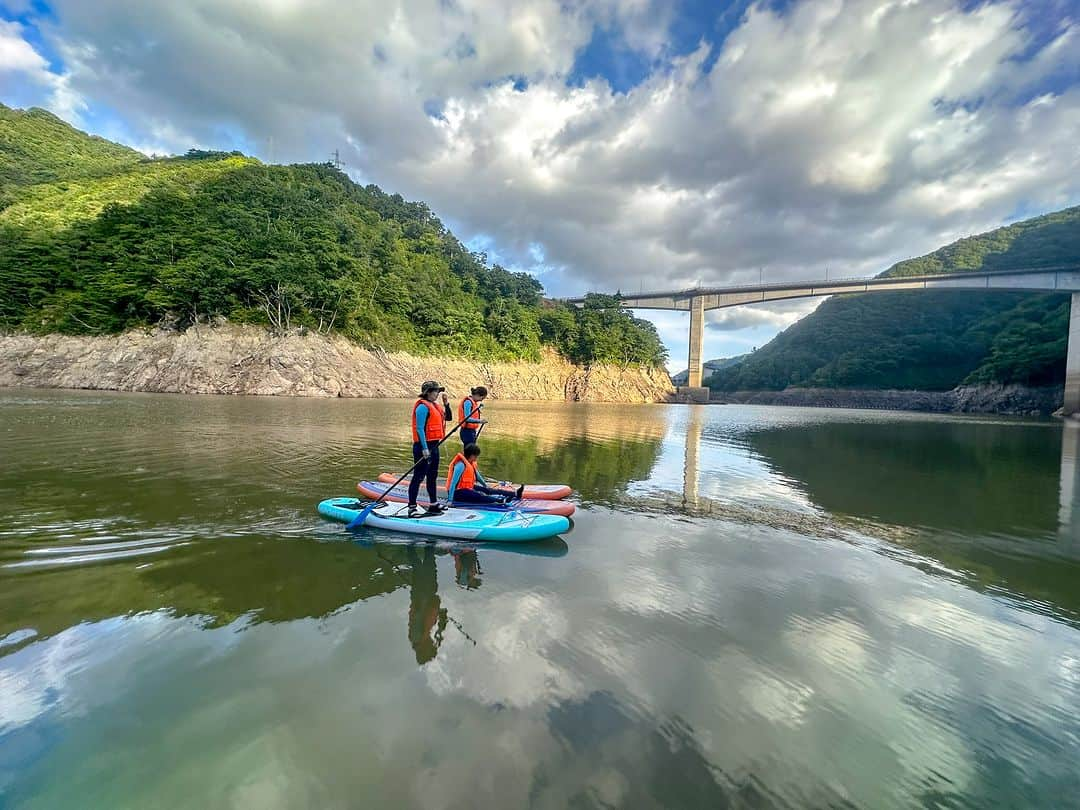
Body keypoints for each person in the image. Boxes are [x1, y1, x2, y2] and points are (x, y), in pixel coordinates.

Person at [409, 380, 454, 514]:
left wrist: (446, 404)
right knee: (418, 476)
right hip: (423, 446)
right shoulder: (422, 407)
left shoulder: (435, 406)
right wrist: (424, 448)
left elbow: (449, 418)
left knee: (432, 476)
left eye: (438, 391)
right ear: (428, 393)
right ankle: (411, 507)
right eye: (435, 391)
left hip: (434, 445)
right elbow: (419, 429)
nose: (437, 394)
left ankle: (433, 504)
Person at [445, 443, 525, 506]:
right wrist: (450, 500)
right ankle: (500, 501)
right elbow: (453, 483)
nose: (476, 458)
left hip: (466, 488)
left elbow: (478, 477)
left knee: (487, 490)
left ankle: (515, 494)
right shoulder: (460, 465)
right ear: (472, 455)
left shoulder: (470, 463)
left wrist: (486, 487)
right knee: (478, 495)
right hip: (457, 493)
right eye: (476, 456)